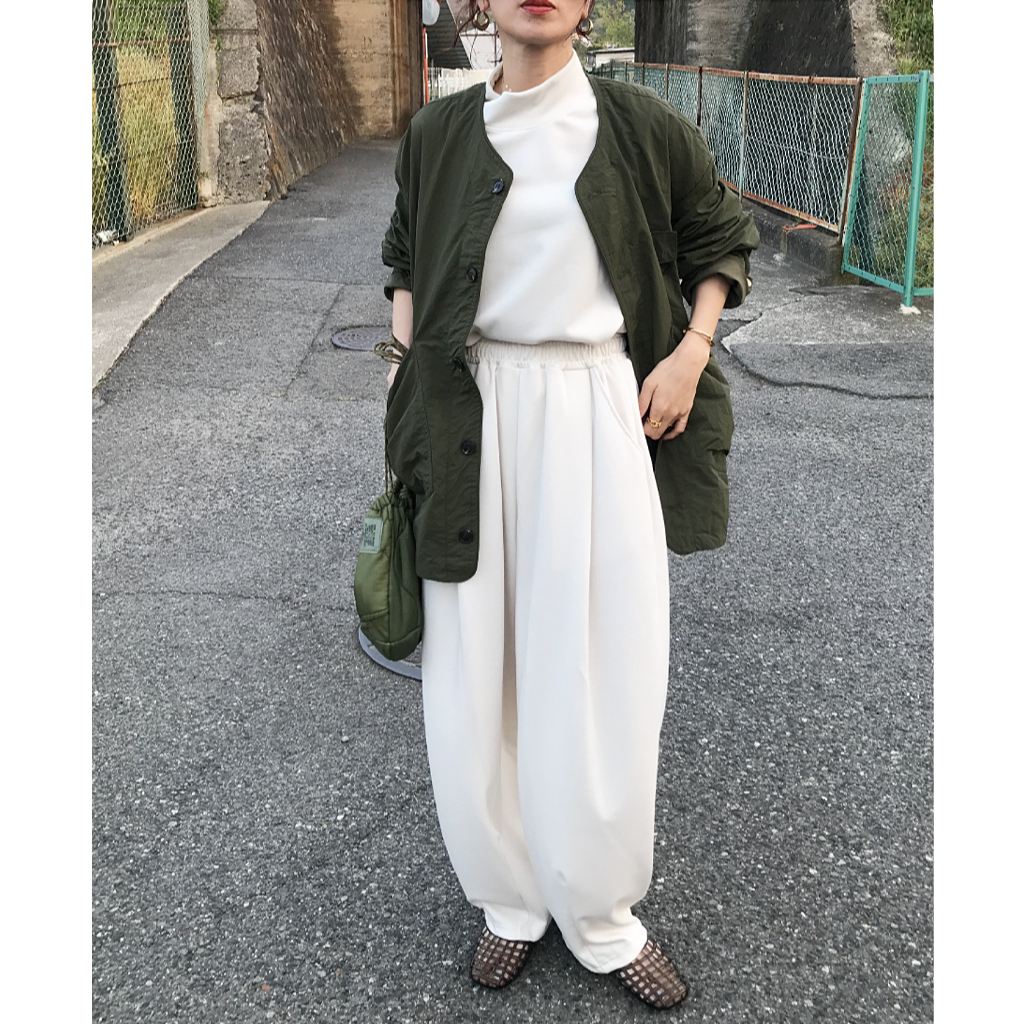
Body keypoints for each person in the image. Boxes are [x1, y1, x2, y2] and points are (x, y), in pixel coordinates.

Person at [379, 0, 758, 1009]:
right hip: (473, 411)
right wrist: (403, 373)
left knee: (603, 664)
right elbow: (404, 257)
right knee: (477, 671)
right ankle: (509, 899)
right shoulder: (438, 133)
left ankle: (600, 912)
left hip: (598, 406)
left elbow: (721, 239)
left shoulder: (642, 126)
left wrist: (690, 353)